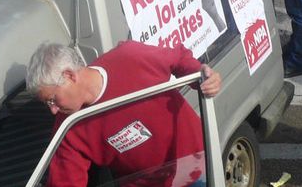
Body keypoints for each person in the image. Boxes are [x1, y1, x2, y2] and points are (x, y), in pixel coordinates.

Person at [26, 41, 221, 187]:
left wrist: (201, 75)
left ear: (69, 76)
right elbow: (66, 181)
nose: (52, 110)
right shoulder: (68, 128)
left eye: (52, 99)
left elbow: (178, 58)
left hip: (196, 165)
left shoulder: (130, 58)